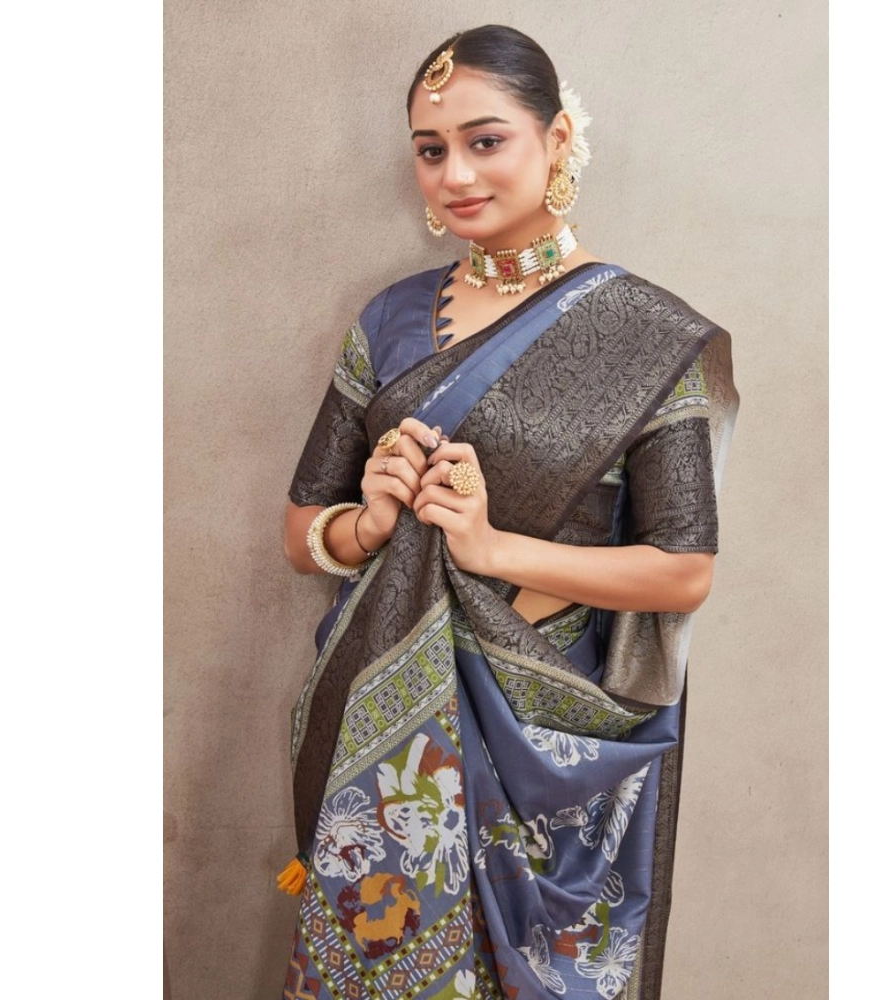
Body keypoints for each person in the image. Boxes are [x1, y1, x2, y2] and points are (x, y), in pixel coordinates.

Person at [278, 25, 738, 1000]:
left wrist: (492, 546)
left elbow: (683, 569)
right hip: (386, 719)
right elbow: (303, 529)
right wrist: (371, 521)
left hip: (548, 731)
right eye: (430, 149)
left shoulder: (647, 334)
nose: (454, 174)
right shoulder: (388, 321)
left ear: (557, 139)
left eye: (485, 140)